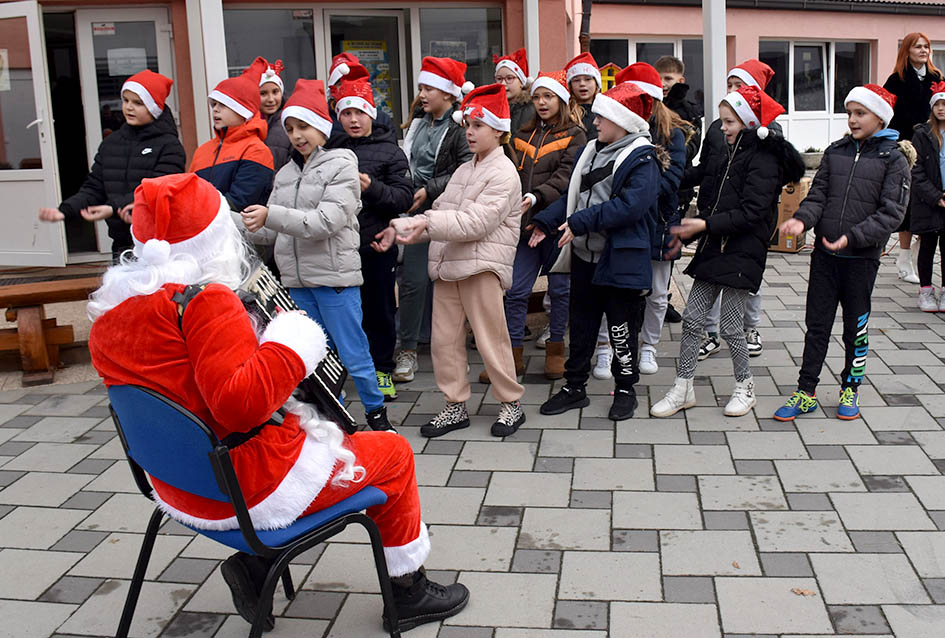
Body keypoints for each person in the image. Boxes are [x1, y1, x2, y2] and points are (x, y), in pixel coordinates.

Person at [87, 172, 469, 634]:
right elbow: (240, 406)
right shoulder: (205, 302)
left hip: (174, 485)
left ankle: (257, 567)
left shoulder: (112, 310)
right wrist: (291, 346)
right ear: (215, 237)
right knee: (393, 453)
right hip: (246, 490)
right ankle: (409, 594)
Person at [237, 79, 393, 431]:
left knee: (352, 352)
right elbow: (270, 230)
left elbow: (325, 221)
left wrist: (269, 214)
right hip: (297, 283)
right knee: (314, 357)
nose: (296, 135)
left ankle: (376, 414)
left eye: (304, 126)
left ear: (322, 128)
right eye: (290, 128)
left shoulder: (342, 164)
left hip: (334, 280)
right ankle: (331, 415)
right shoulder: (286, 173)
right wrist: (227, 220)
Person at [377, 84, 525, 438]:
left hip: (481, 268)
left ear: (500, 131)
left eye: (478, 126)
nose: (469, 133)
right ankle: (454, 405)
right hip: (448, 267)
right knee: (444, 342)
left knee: (491, 339)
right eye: (468, 125)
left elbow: (476, 223)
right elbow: (444, 211)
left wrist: (425, 222)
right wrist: (409, 227)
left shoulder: (504, 173)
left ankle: (510, 404)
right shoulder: (465, 170)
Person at [652, 84, 804, 419]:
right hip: (714, 246)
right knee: (693, 320)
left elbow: (752, 213)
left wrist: (703, 227)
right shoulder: (727, 153)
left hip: (743, 251)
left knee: (732, 326)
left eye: (729, 122)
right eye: (722, 122)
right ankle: (683, 387)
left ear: (749, 123)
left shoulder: (765, 159)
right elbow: (713, 199)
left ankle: (744, 386)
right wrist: (692, 234)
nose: (722, 129)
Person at [774, 85, 910, 421]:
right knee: (816, 326)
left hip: (861, 260)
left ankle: (851, 387)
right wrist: (801, 221)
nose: (852, 119)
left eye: (860, 113)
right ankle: (806, 391)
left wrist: (852, 238)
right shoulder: (835, 152)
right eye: (849, 113)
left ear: (880, 117)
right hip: (824, 258)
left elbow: (893, 212)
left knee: (855, 328)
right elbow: (818, 196)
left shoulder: (894, 160)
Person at [532, 82, 660, 421]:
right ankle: (575, 388)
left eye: (602, 117)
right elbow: (573, 196)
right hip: (585, 258)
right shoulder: (591, 150)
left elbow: (630, 207)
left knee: (621, 329)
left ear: (623, 121)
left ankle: (625, 390)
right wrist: (545, 221)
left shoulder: (642, 158)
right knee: (583, 325)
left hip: (620, 260)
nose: (595, 122)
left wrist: (579, 221)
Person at [488, 69, 585, 383]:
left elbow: (566, 178)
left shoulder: (576, 134)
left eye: (549, 97)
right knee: (515, 291)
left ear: (561, 100)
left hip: (556, 225)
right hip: (524, 226)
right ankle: (512, 356)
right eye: (538, 97)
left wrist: (534, 196)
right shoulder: (522, 134)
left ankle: (556, 351)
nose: (542, 103)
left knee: (560, 291)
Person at [682, 60, 781, 361]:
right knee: (712, 273)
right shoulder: (717, 129)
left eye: (741, 85)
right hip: (715, 213)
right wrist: (675, 178)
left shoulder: (767, 134)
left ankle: (750, 327)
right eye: (731, 85)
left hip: (746, 221)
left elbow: (761, 191)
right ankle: (709, 332)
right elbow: (707, 168)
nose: (734, 90)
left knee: (743, 275)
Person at [38, 70, 185, 261]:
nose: (129, 108)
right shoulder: (111, 142)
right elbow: (94, 187)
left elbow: (158, 190)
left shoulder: (169, 145)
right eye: (126, 100)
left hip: (160, 245)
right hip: (122, 242)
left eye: (138, 103)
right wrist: (65, 210)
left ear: (154, 107)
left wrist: (112, 207)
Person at [329, 78, 414, 399]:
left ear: (371, 115)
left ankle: (382, 371)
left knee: (379, 308)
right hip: (336, 246)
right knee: (342, 311)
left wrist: (371, 187)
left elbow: (403, 199)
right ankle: (338, 374)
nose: (353, 120)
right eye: (346, 113)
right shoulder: (331, 149)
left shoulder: (391, 151)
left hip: (376, 245)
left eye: (359, 113)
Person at [393, 57, 474, 384]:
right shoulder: (417, 121)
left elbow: (465, 168)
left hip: (447, 211)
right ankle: (408, 350)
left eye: (429, 88)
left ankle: (454, 351)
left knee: (452, 282)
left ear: (448, 93)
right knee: (411, 281)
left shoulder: (460, 127)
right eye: (422, 87)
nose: (422, 94)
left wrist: (429, 188)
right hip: (414, 209)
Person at [618, 63, 688, 376]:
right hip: (627, 222)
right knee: (627, 290)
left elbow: (672, 179)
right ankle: (622, 347)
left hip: (661, 220)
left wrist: (635, 192)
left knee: (659, 291)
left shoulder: (673, 133)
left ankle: (649, 347)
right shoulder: (619, 129)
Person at [884, 33, 943, 284]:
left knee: (930, 202)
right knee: (908, 204)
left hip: (934, 147)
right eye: (918, 46)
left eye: (926, 47)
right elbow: (887, 114)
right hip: (907, 148)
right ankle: (904, 257)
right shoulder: (896, 80)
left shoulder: (937, 78)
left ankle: (920, 253)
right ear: (907, 51)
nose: (923, 50)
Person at [190, 74, 274, 212]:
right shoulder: (202, 151)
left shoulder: (256, 150)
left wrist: (200, 214)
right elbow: (189, 193)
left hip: (238, 230)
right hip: (203, 228)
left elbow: (240, 201)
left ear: (242, 110)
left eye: (223, 104)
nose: (215, 109)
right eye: (214, 104)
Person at [913, 81, 945, 311]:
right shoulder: (922, 134)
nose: (942, 109)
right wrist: (936, 197)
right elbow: (916, 170)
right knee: (927, 246)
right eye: (938, 105)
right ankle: (926, 290)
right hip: (928, 201)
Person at [242, 57, 292, 171]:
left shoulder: (288, 122)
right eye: (263, 93)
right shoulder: (245, 124)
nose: (270, 99)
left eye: (275, 92)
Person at [494, 48, 535, 135]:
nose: (503, 83)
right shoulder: (493, 109)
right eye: (499, 79)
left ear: (521, 82)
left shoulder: (531, 108)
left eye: (509, 78)